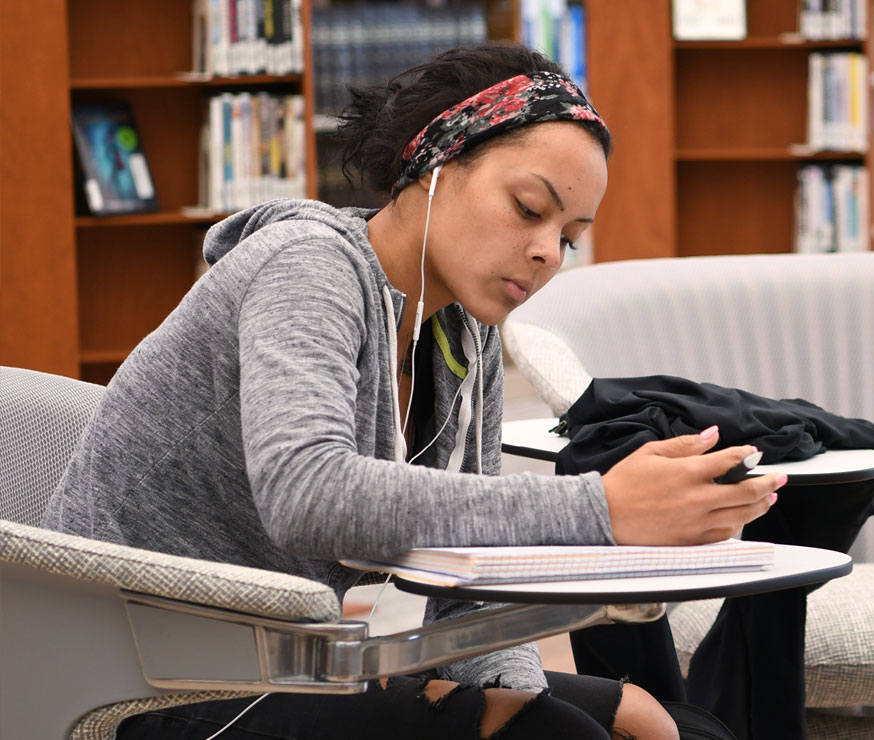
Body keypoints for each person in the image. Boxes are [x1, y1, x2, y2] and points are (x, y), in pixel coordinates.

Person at [43, 42, 784, 740]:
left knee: (657, 718)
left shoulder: (462, 329)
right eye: (529, 208)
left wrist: (514, 692)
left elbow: (467, 586)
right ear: (433, 166)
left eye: (569, 235)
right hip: (147, 682)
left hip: (294, 663)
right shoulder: (306, 266)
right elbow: (306, 492)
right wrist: (600, 508)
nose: (545, 250)